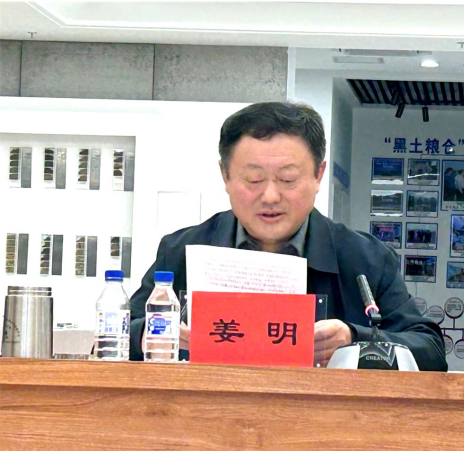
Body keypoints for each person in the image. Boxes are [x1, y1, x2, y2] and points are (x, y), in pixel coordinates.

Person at [128, 102, 447, 372]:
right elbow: (120, 331)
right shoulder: (182, 250)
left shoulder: (365, 258)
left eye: (288, 179)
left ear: (318, 175)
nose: (270, 196)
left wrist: (355, 338)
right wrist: (152, 334)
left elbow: (430, 350)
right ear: (225, 175)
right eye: (253, 179)